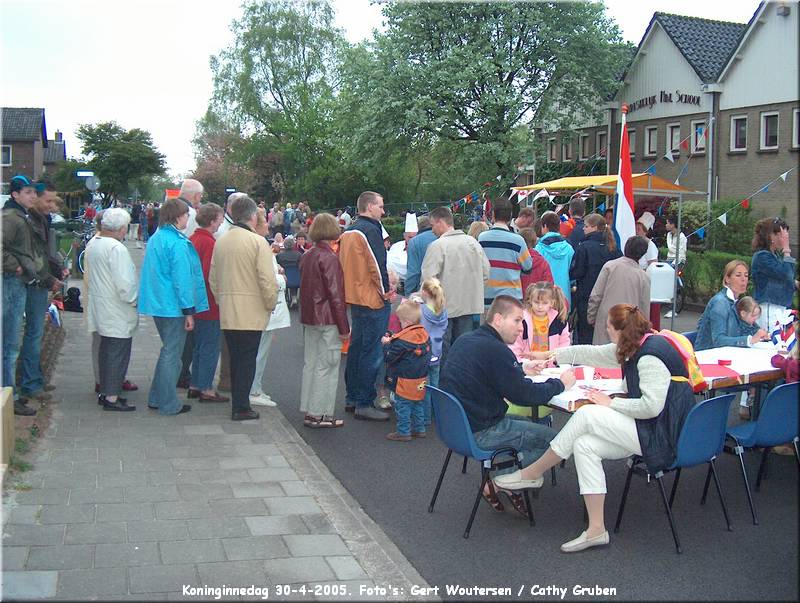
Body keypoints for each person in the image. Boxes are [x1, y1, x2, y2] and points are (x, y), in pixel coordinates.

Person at [495, 304, 696, 553]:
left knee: (587, 414)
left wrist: (612, 402)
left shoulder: (649, 357)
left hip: (660, 433)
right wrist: (551, 355)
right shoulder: (636, 343)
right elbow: (592, 353)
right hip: (650, 427)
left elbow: (652, 407)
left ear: (620, 331)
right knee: (584, 445)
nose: (607, 333)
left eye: (609, 329)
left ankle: (533, 473)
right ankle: (596, 530)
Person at [440, 296, 573, 516]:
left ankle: (514, 479)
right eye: (517, 320)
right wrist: (560, 383)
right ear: (499, 319)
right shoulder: (496, 350)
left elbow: (492, 372)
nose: (521, 328)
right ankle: (502, 483)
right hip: (483, 431)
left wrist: (520, 368)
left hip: (457, 429)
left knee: (530, 427)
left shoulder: (467, 340)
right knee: (557, 441)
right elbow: (525, 395)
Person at [210, 195, 278, 421]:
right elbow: (267, 280)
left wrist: (222, 299)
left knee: (235, 357)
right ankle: (241, 406)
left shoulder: (222, 240)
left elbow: (213, 278)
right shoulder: (258, 242)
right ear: (251, 216)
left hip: (228, 309)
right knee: (248, 359)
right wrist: (270, 304)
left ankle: (238, 402)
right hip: (251, 310)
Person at [138, 198, 207, 416]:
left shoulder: (158, 237)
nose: (189, 218)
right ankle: (168, 403)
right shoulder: (177, 243)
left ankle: (158, 398)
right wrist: (189, 310)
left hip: (159, 302)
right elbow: (182, 279)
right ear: (178, 217)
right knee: (172, 355)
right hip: (173, 306)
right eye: (187, 215)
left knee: (168, 351)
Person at [338, 191, 394, 421]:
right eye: (380, 206)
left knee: (357, 348)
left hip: (355, 296)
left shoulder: (349, 230)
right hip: (372, 298)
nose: (383, 211)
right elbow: (376, 265)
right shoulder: (371, 230)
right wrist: (386, 292)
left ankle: (352, 397)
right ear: (370, 206)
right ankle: (364, 401)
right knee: (371, 352)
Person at [421, 206, 490, 366]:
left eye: (432, 225)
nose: (432, 230)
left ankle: (444, 386)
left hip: (442, 308)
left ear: (440, 222)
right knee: (465, 351)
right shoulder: (473, 243)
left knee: (442, 353)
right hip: (469, 306)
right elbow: (486, 272)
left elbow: (428, 279)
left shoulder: (438, 246)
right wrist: (474, 291)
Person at [299, 213, 350, 427]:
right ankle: (320, 413)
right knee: (327, 366)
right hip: (328, 318)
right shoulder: (329, 257)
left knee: (311, 363)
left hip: (310, 317)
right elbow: (336, 295)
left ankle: (310, 409)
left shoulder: (308, 255)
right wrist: (344, 327)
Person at [86, 209, 138, 411]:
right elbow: (125, 282)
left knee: (106, 351)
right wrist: (133, 300)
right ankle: (112, 397)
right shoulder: (117, 248)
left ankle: (106, 391)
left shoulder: (94, 243)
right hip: (116, 307)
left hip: (101, 304)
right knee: (117, 352)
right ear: (122, 227)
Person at [2, 175, 45, 416]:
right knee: (8, 343)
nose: (33, 196)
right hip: (10, 282)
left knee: (11, 342)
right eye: (28, 192)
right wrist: (14, 266)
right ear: (15, 194)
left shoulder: (21, 216)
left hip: (17, 282)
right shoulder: (10, 217)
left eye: (34, 192)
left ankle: (10, 393)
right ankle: (9, 396)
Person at [19, 182, 64, 404]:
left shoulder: (40, 220)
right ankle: (30, 383)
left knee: (35, 332)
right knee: (34, 333)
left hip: (40, 281)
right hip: (33, 282)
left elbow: (45, 252)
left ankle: (34, 379)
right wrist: (49, 278)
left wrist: (57, 268)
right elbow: (34, 256)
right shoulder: (30, 221)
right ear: (35, 198)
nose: (52, 206)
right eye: (48, 200)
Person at [507, 281, 571, 424]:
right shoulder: (522, 320)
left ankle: (543, 422)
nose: (540, 306)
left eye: (544, 303)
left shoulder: (559, 321)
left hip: (550, 371)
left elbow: (565, 347)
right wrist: (524, 364)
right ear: (530, 300)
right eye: (536, 302)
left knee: (543, 404)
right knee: (522, 404)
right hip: (527, 369)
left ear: (552, 302)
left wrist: (554, 362)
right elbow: (514, 347)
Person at [187, 203, 229, 403]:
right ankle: (206, 388)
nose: (221, 222)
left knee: (198, 345)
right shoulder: (210, 243)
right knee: (210, 346)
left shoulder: (193, 239)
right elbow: (208, 274)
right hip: (209, 303)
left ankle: (195, 383)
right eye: (220, 218)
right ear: (212, 221)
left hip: (194, 301)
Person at [249, 208, 289, 407]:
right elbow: (267, 279)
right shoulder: (260, 245)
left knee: (259, 350)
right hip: (264, 308)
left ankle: (255, 387)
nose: (269, 225)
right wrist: (281, 278)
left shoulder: (259, 244)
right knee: (259, 351)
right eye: (265, 222)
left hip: (258, 307)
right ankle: (254, 389)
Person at [383, 299, 432, 441]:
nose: (400, 324)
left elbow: (389, 358)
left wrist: (386, 345)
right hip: (421, 378)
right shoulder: (425, 336)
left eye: (400, 321)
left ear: (407, 321)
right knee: (418, 403)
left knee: (403, 405)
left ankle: (403, 432)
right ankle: (419, 428)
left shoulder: (401, 341)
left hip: (404, 380)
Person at [587, 236, 650, 345]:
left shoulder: (610, 266)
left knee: (600, 355)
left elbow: (596, 295)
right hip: (629, 322)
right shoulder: (644, 276)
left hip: (606, 318)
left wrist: (591, 317)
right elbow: (644, 306)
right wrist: (643, 329)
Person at [694, 261, 769, 351]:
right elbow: (718, 340)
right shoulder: (720, 303)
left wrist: (761, 333)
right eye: (738, 275)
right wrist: (749, 340)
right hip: (707, 357)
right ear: (727, 279)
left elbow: (748, 328)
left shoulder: (738, 302)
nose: (743, 279)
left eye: (746, 275)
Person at [570, 214, 621, 344]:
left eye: (586, 226)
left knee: (585, 333)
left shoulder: (584, 247)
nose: (583, 229)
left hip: (586, 296)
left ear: (594, 227)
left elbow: (577, 272)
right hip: (609, 295)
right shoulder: (614, 248)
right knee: (608, 333)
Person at [176, 179, 205, 389]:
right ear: (196, 196)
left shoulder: (170, 211)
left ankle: (178, 371)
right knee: (188, 332)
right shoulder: (192, 216)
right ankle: (182, 373)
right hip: (188, 278)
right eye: (200, 197)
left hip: (172, 280)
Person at [478, 196, 533, 306]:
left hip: (488, 297)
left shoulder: (482, 238)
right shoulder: (518, 240)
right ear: (510, 216)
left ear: (493, 214)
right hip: (512, 298)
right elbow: (528, 267)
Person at [412, 278, 448, 426]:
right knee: (435, 385)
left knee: (423, 387)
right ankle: (436, 414)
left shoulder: (421, 310)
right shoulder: (443, 311)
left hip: (423, 354)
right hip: (437, 353)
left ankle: (424, 418)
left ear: (425, 292)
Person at [750, 217, 797, 332]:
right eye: (783, 235)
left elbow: (782, 276)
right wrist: (787, 249)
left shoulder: (773, 256)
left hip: (778, 307)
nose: (786, 239)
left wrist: (795, 283)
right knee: (772, 343)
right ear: (771, 236)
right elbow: (786, 274)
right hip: (769, 309)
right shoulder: (762, 257)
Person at [535, 210, 575, 309]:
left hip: (543, 296)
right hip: (564, 295)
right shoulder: (569, 249)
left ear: (544, 226)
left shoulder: (539, 249)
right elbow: (572, 272)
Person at [387, 213, 419, 290]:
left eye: (415, 237)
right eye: (410, 237)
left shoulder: (419, 248)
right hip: (397, 286)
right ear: (404, 236)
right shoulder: (396, 247)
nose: (412, 240)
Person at [518, 228, 554, 296]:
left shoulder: (516, 259)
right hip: (537, 300)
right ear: (534, 242)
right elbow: (549, 285)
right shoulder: (542, 262)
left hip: (517, 300)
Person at [276, 237, 302, 307]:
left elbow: (276, 266)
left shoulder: (279, 256)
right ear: (293, 245)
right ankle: (294, 297)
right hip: (297, 278)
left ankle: (286, 299)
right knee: (294, 276)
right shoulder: (298, 254)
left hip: (285, 278)